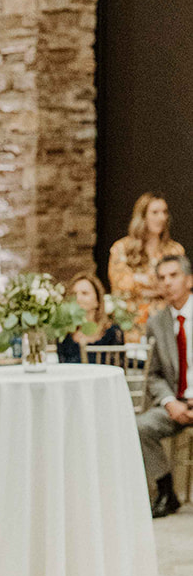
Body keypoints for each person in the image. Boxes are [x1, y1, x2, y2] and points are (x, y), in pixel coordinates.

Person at [136, 254, 193, 517]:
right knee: (141, 426)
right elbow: (154, 374)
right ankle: (166, 490)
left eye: (174, 275)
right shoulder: (156, 323)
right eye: (162, 278)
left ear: (189, 279)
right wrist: (170, 402)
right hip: (176, 404)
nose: (167, 282)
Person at [108, 193, 184, 339]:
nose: (161, 217)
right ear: (142, 216)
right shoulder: (122, 248)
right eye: (155, 212)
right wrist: (157, 286)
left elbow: (179, 287)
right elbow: (120, 285)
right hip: (131, 326)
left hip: (166, 324)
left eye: (164, 212)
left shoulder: (175, 250)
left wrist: (139, 282)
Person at [57, 273, 124, 363]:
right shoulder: (65, 334)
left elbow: (118, 367)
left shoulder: (113, 332)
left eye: (85, 293)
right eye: (74, 294)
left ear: (97, 300)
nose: (78, 298)